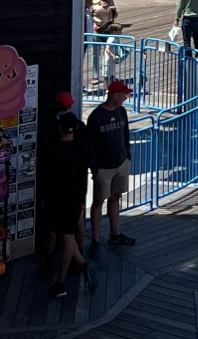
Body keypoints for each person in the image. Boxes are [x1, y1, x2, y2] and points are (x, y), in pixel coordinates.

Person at [43, 112, 95, 298]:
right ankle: (81, 267)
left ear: (60, 128)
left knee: (61, 236)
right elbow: (83, 177)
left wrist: (44, 199)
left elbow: (47, 177)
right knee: (68, 238)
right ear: (76, 128)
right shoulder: (81, 149)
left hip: (54, 199)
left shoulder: (52, 148)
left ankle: (62, 282)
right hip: (73, 200)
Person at [87, 79, 135, 259]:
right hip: (103, 167)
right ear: (115, 95)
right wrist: (95, 168)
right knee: (98, 201)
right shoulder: (96, 116)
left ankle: (115, 234)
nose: (125, 97)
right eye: (123, 94)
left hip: (121, 163)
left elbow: (126, 135)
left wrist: (127, 156)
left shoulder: (122, 112)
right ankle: (95, 240)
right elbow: (90, 144)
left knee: (115, 197)